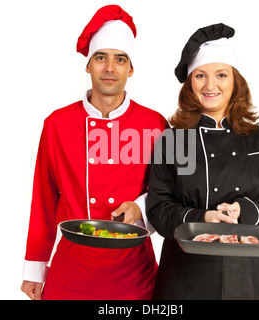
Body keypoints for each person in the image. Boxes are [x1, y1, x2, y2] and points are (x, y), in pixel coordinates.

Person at [21, 5, 167, 300]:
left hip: (133, 273)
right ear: (88, 65)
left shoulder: (155, 124)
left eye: (120, 59)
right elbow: (44, 200)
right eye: (101, 58)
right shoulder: (57, 124)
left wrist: (140, 208)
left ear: (131, 68)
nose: (110, 68)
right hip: (72, 271)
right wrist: (35, 270)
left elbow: (169, 192)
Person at [146, 23, 259, 300]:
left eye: (221, 75)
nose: (210, 85)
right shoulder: (174, 141)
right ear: (190, 83)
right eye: (200, 75)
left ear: (235, 81)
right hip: (185, 279)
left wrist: (244, 211)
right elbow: (158, 209)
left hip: (251, 279)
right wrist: (203, 218)